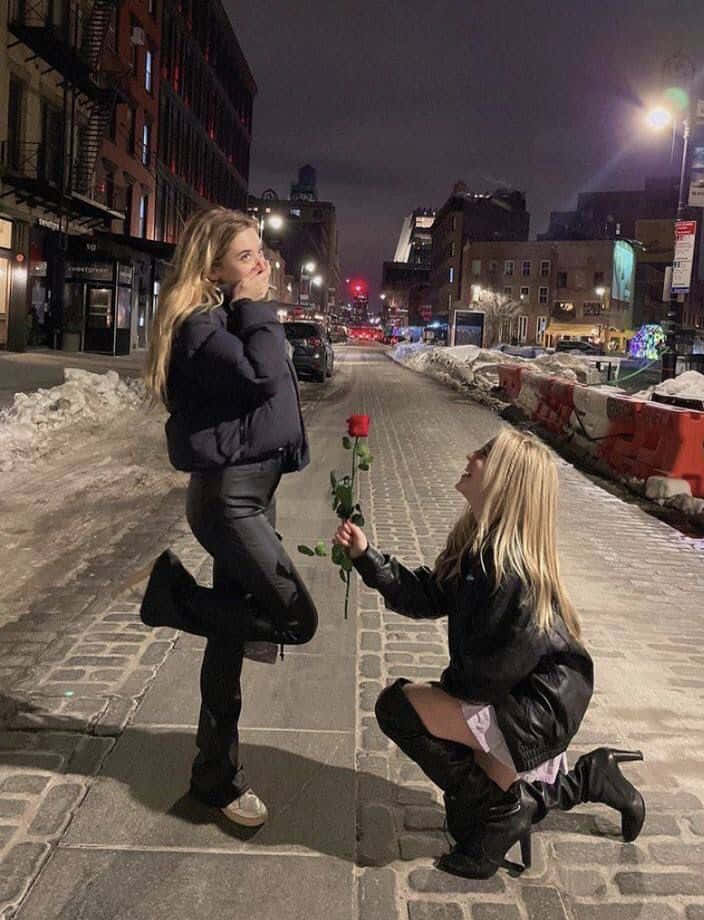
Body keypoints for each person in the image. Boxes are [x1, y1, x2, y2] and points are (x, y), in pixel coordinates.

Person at [334, 426, 645, 879]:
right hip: (508, 699)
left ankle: (507, 810)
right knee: (465, 819)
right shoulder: (479, 546)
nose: (469, 455)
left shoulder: (512, 573)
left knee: (397, 707)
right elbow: (423, 594)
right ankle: (587, 778)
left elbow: (487, 675)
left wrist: (441, 700)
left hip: (533, 710)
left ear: (503, 481)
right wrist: (367, 557)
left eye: (482, 453)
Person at [140, 207, 318, 829]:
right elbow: (267, 376)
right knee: (295, 620)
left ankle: (215, 778)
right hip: (230, 500)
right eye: (245, 256)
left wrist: (249, 306)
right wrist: (257, 306)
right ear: (212, 266)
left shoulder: (220, 320)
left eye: (259, 251)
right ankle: (171, 598)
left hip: (250, 493)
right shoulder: (201, 327)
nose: (261, 263)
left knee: (229, 640)